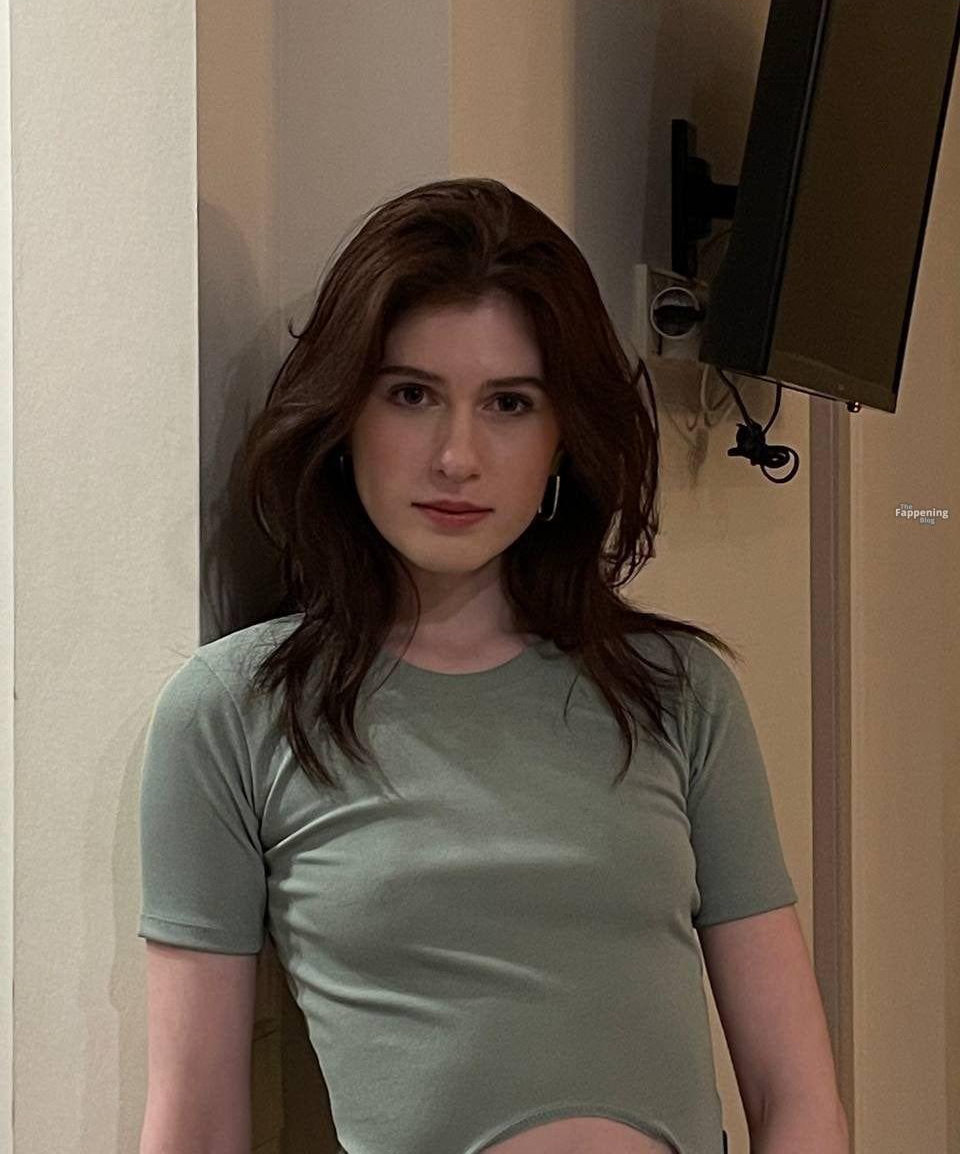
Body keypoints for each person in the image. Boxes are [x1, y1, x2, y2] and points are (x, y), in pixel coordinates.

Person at [137, 177, 849, 1154]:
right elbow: (196, 1121)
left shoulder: (677, 690)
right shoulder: (235, 710)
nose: (457, 456)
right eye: (412, 395)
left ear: (562, 440)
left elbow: (795, 1092)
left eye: (509, 403)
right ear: (346, 416)